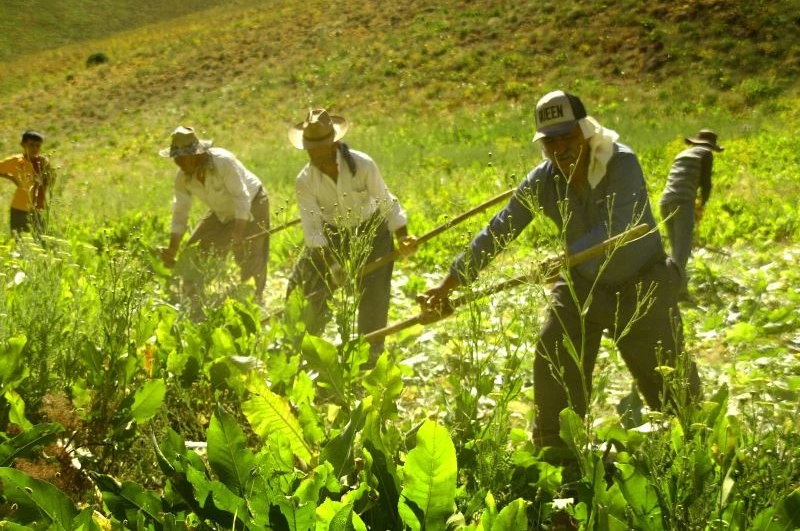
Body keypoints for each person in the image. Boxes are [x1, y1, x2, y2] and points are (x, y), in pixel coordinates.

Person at [420, 91, 701, 447]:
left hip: (642, 282)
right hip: (583, 285)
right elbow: (500, 228)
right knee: (554, 354)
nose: (562, 149)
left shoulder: (621, 162)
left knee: (669, 380)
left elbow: (620, 224)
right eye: (551, 141)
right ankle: (556, 449)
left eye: (569, 137)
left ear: (587, 132)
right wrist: (448, 285)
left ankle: (692, 445)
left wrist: (567, 258)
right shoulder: (543, 179)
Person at [286, 109, 416, 363]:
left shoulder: (362, 165)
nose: (313, 152)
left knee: (374, 290)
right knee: (304, 286)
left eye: (319, 146)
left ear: (332, 143)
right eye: (309, 147)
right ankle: (307, 346)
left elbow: (386, 202)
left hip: (371, 231)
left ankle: (371, 349)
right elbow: (313, 230)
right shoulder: (305, 180)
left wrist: (403, 237)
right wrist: (333, 265)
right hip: (333, 234)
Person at [158, 126, 270, 304]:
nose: (178, 163)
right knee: (194, 249)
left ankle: (255, 299)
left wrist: (238, 232)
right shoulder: (183, 177)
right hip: (222, 211)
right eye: (175, 158)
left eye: (181, 158)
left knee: (248, 252)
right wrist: (173, 248)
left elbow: (241, 198)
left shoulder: (222, 162)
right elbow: (180, 212)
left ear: (196, 154)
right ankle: (193, 298)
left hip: (252, 202)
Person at [659, 129, 724, 298]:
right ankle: (678, 293)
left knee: (675, 250)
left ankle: (674, 287)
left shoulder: (682, 154)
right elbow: (706, 183)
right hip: (682, 202)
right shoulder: (705, 154)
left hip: (665, 201)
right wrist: (701, 205)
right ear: (710, 146)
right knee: (682, 252)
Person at [0, 130, 55, 236]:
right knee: (19, 240)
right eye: (31, 145)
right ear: (23, 145)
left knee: (40, 240)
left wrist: (47, 170)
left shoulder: (43, 161)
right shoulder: (17, 161)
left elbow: (51, 181)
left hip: (39, 209)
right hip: (20, 208)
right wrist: (11, 177)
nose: (34, 149)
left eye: (37, 146)